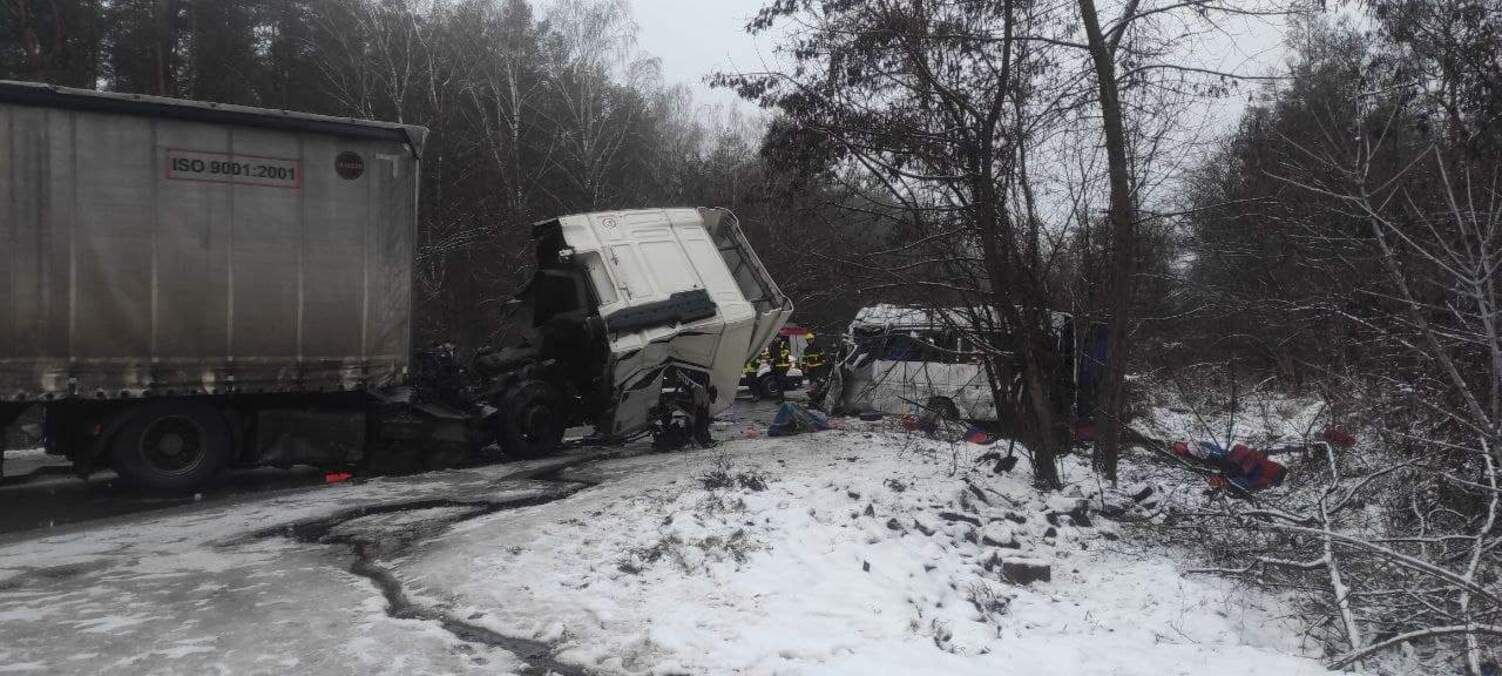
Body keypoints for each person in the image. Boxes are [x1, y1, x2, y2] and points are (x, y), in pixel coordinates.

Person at [1171, 425, 1356, 492]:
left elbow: (1244, 482)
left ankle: (1188, 450)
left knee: (1226, 459)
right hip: (1255, 468)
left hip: (1260, 471)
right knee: (1227, 458)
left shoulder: (1268, 476)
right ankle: (1188, 449)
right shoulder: (1268, 470)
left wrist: (1224, 481)